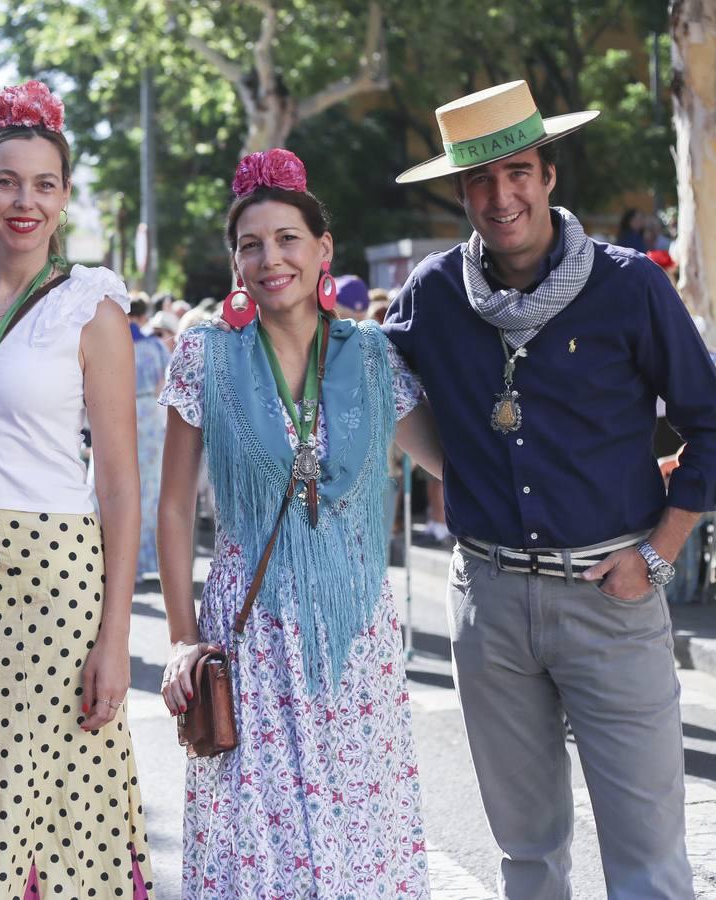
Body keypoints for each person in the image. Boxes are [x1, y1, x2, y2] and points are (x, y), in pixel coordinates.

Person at [387, 80, 716, 899]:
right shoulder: (435, 295)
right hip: (489, 603)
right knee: (527, 855)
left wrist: (658, 554)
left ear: (548, 176)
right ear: (461, 191)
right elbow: (371, 382)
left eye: (517, 173)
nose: (499, 196)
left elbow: (713, 428)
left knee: (648, 859)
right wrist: (455, 469)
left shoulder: (628, 286)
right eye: (479, 180)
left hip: (611, 599)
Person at [157, 148, 441, 896]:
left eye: (287, 238)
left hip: (354, 642)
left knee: (356, 844)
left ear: (323, 250)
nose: (269, 257)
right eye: (250, 244)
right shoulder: (205, 356)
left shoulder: (373, 356)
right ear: (235, 263)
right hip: (250, 642)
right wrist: (182, 639)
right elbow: (175, 505)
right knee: (263, 853)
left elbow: (451, 462)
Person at [0, 80, 153, 897]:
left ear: (65, 198)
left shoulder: (92, 309)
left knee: (59, 805)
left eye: (45, 185)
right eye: (7, 182)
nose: (24, 201)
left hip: (57, 586)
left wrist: (116, 638)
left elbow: (119, 485)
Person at [130, 298, 170, 582]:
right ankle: (144, 559)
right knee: (150, 488)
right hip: (149, 415)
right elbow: (162, 384)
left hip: (120, 412)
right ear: (144, 317)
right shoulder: (155, 346)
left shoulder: (113, 343)